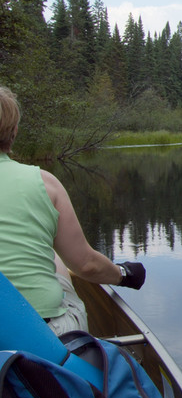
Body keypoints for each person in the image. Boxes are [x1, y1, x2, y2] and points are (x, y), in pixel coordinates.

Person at [0, 85, 145, 336]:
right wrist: (123, 274)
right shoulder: (44, 184)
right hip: (41, 333)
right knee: (56, 257)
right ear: (13, 132)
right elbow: (86, 265)